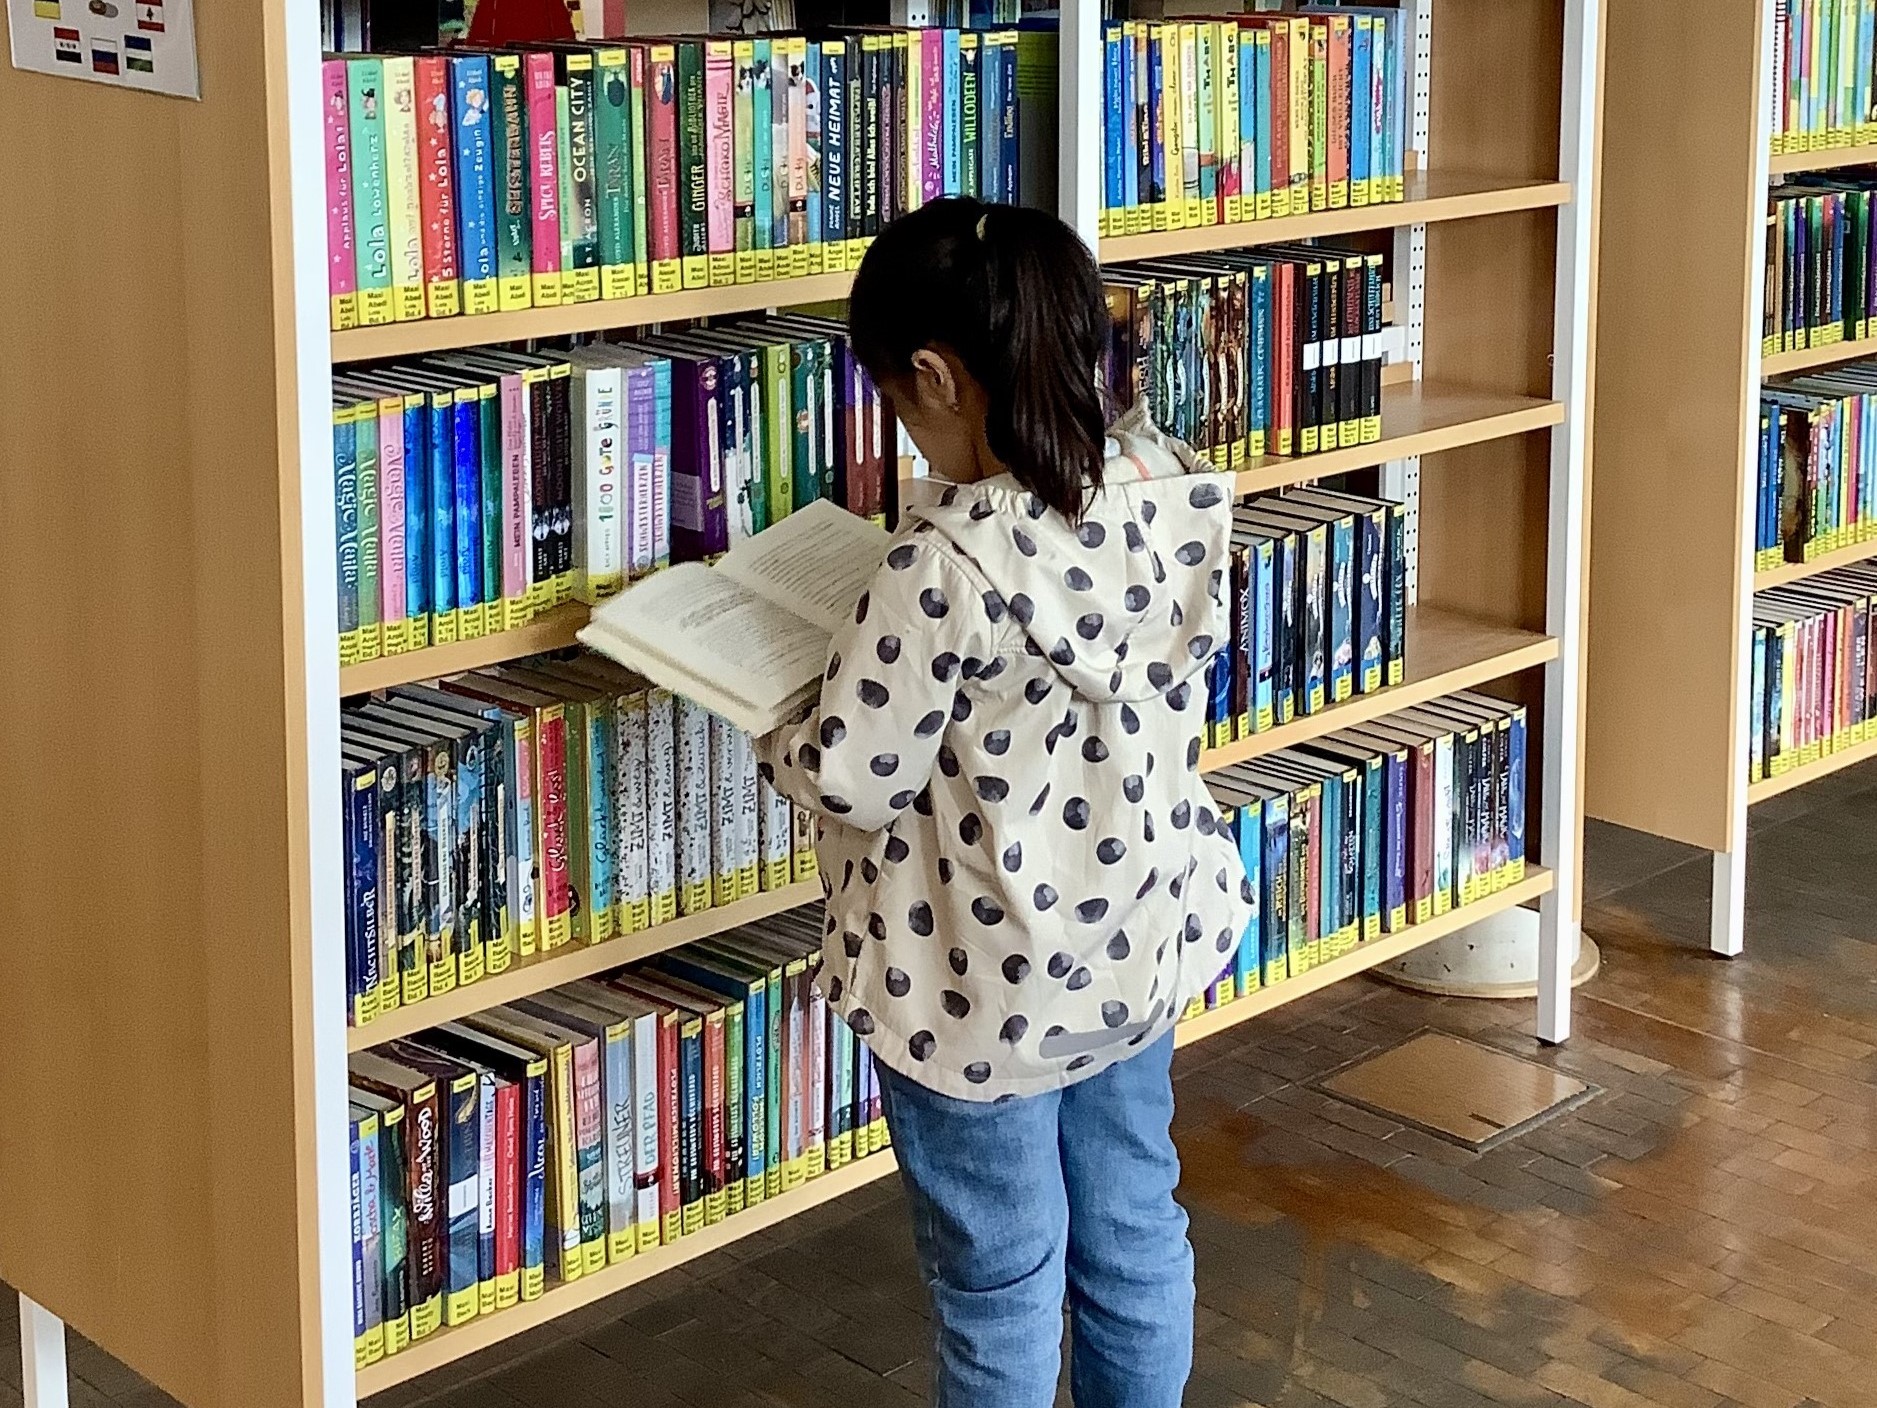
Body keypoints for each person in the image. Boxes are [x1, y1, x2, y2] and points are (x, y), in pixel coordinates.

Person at [758, 197, 1250, 1408]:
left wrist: (777, 720)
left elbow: (853, 775)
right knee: (1133, 1226)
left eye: (895, 396)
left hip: (971, 993)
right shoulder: (1164, 481)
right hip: (1132, 945)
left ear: (932, 375)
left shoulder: (944, 563)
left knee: (998, 1283)